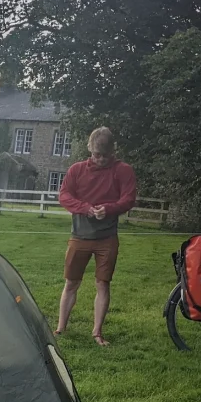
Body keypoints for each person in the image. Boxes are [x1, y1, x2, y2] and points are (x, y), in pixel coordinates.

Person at [56, 127, 137, 346]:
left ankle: (97, 332)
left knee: (103, 284)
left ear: (113, 151)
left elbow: (129, 199)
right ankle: (61, 328)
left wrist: (108, 209)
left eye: (104, 155)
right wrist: (85, 208)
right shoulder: (77, 170)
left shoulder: (123, 170)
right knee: (71, 282)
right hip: (79, 236)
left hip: (107, 238)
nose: (100, 159)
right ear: (90, 150)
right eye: (95, 155)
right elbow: (64, 196)